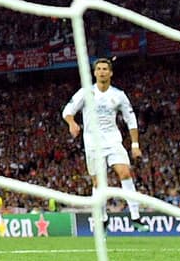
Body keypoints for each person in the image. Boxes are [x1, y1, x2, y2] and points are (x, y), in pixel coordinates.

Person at [62, 57, 146, 230]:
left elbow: (131, 120)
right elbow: (67, 111)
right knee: (99, 184)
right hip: (93, 144)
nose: (101, 71)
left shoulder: (118, 95)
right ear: (94, 73)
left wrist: (135, 144)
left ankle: (136, 217)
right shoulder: (86, 92)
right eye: (98, 69)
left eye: (105, 69)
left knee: (124, 173)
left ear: (111, 73)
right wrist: (72, 123)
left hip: (113, 140)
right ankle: (103, 218)